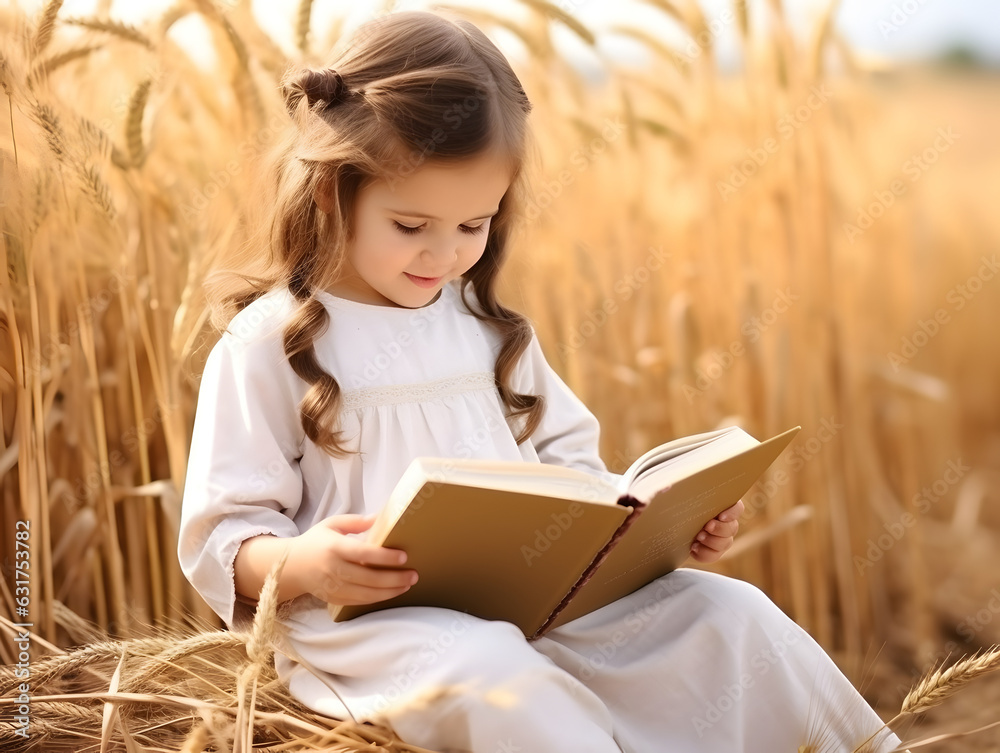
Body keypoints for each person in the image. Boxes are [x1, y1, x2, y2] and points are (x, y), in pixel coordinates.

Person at [178, 10, 902, 753]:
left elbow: (576, 479)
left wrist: (660, 526)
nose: (444, 255)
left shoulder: (488, 329)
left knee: (726, 613)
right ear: (333, 190)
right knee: (498, 676)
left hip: (541, 604)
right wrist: (306, 563)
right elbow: (221, 534)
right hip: (378, 628)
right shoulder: (268, 343)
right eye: (411, 225)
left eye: (474, 225)